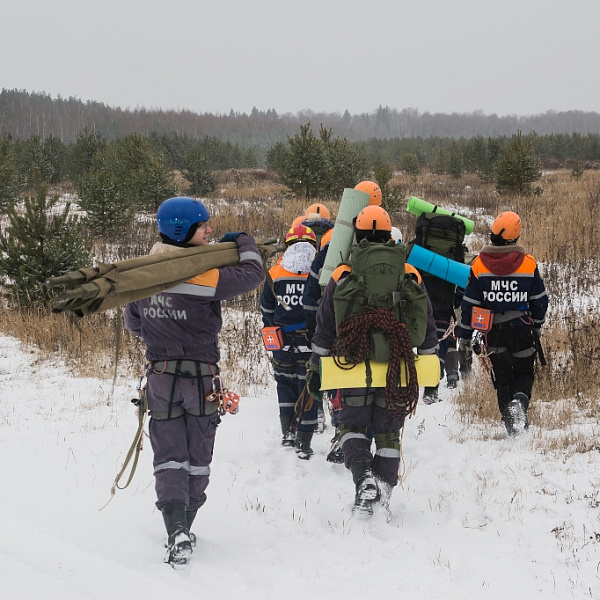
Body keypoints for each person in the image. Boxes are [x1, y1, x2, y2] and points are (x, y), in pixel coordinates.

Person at [124, 196, 265, 567]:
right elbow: (253, 274)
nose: (209, 232)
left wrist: (162, 331)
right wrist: (245, 242)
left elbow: (134, 323)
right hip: (202, 383)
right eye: (203, 227)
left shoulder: (144, 274)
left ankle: (175, 531)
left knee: (169, 456)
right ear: (183, 231)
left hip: (160, 379)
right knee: (198, 458)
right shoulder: (204, 276)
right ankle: (185, 525)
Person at [306, 206, 438, 517]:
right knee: (389, 433)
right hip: (398, 365)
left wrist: (315, 366)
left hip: (353, 366)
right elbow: (426, 321)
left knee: (352, 425)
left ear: (358, 235)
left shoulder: (342, 273)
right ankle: (384, 494)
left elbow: (324, 327)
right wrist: (431, 363)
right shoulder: (409, 272)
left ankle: (363, 478)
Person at [457, 211, 548, 436]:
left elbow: (469, 302)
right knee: (525, 373)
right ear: (515, 237)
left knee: (503, 379)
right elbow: (539, 299)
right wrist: (536, 324)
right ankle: (519, 404)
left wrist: (466, 334)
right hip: (521, 329)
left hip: (493, 333)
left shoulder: (479, 265)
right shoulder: (528, 264)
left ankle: (512, 426)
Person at [260, 223, 318, 458]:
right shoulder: (319, 273)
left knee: (284, 386)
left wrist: (273, 326)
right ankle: (304, 441)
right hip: (310, 343)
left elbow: (266, 307)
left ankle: (287, 433)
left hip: (281, 343)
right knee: (309, 390)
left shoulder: (276, 273)